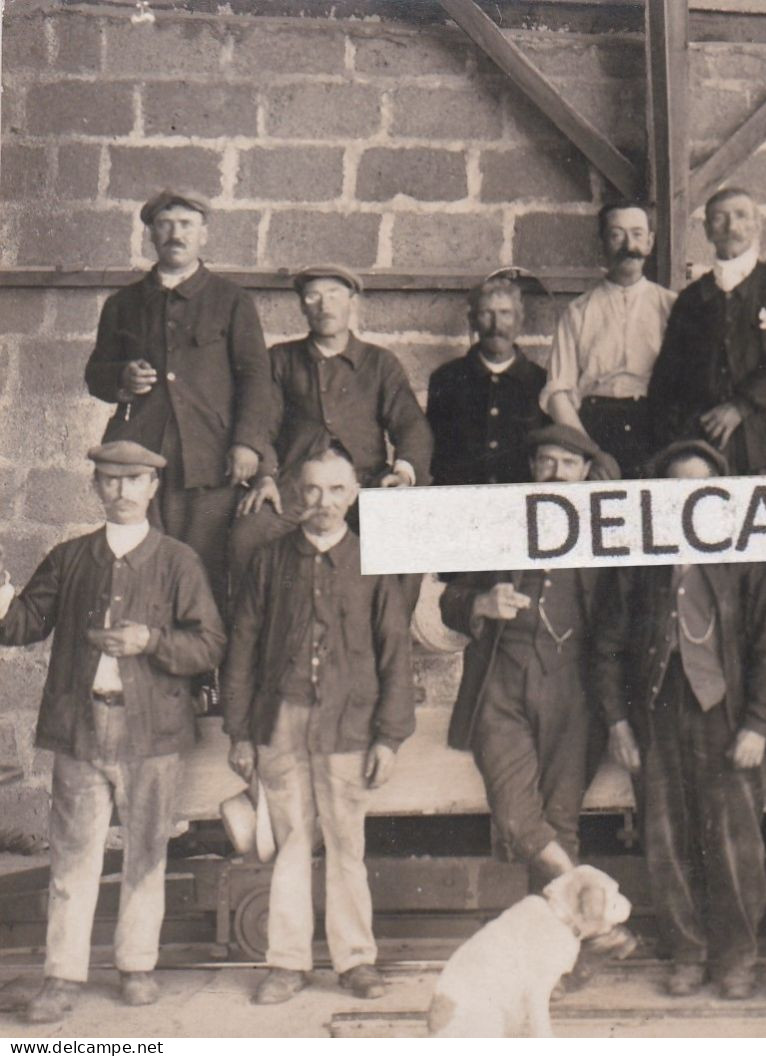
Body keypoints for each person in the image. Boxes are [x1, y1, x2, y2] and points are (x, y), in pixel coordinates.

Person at [0, 442, 225, 1024]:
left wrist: (149, 642)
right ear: (95, 488)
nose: (122, 490)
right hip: (80, 726)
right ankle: (61, 977)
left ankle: (136, 966)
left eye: (135, 480)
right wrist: (1, 591)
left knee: (146, 854)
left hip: (150, 731)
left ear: (153, 487)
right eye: (109, 480)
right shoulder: (70, 557)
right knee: (73, 860)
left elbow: (209, 645)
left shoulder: (178, 561)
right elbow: (19, 625)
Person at [591, 440, 766, 999]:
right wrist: (617, 723)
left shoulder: (744, 560)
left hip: (725, 716)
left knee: (735, 843)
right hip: (656, 713)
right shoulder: (639, 561)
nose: (688, 497)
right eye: (676, 486)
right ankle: (688, 952)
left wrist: (757, 723)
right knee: (666, 839)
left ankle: (736, 959)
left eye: (700, 486)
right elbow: (605, 649)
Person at [223, 446, 415, 1005]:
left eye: (336, 490)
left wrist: (389, 737)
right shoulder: (269, 560)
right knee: (290, 842)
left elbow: (395, 655)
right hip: (281, 722)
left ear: (354, 494)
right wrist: (239, 731)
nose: (323, 502)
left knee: (346, 843)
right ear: (294, 491)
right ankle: (287, 963)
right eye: (311, 490)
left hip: (349, 726)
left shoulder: (376, 562)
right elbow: (242, 648)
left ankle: (355, 961)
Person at [83, 190, 276, 613]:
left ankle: (203, 677)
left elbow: (257, 379)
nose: (176, 234)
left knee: (203, 573)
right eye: (166, 224)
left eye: (186, 225)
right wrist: (122, 377)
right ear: (151, 234)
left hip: (208, 461)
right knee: (139, 565)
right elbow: (95, 375)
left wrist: (247, 443)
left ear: (203, 235)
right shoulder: (123, 304)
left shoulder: (232, 301)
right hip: (139, 458)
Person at [439, 425, 606, 886]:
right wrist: (479, 604)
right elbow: (448, 599)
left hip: (575, 689)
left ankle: (559, 951)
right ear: (532, 468)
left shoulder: (610, 532)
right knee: (515, 818)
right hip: (501, 686)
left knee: (561, 819)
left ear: (587, 472)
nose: (556, 474)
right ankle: (591, 913)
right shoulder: (498, 525)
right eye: (547, 462)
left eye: (569, 464)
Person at [230, 265, 432, 587]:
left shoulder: (379, 363)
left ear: (352, 301)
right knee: (249, 532)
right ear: (302, 307)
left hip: (365, 485)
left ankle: (391, 635)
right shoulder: (281, 359)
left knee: (407, 536)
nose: (325, 306)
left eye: (335, 295)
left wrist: (404, 472)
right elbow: (262, 424)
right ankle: (252, 633)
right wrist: (266, 477)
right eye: (314, 297)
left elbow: (411, 425)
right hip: (298, 486)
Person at [647, 187, 766, 475]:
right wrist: (682, 436)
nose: (731, 227)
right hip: (713, 447)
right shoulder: (692, 299)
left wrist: (741, 405)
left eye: (741, 216)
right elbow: (668, 377)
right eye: (719, 219)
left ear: (757, 224)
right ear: (707, 231)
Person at [542, 201, 677, 475]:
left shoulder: (672, 307)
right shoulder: (578, 311)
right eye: (617, 234)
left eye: (638, 234)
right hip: (595, 429)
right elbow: (558, 392)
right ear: (602, 243)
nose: (629, 245)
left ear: (650, 242)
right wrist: (589, 453)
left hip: (656, 426)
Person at [427, 272, 551, 488]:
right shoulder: (446, 380)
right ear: (473, 321)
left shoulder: (540, 382)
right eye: (486, 313)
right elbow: (436, 456)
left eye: (505, 313)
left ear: (519, 322)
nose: (496, 325)